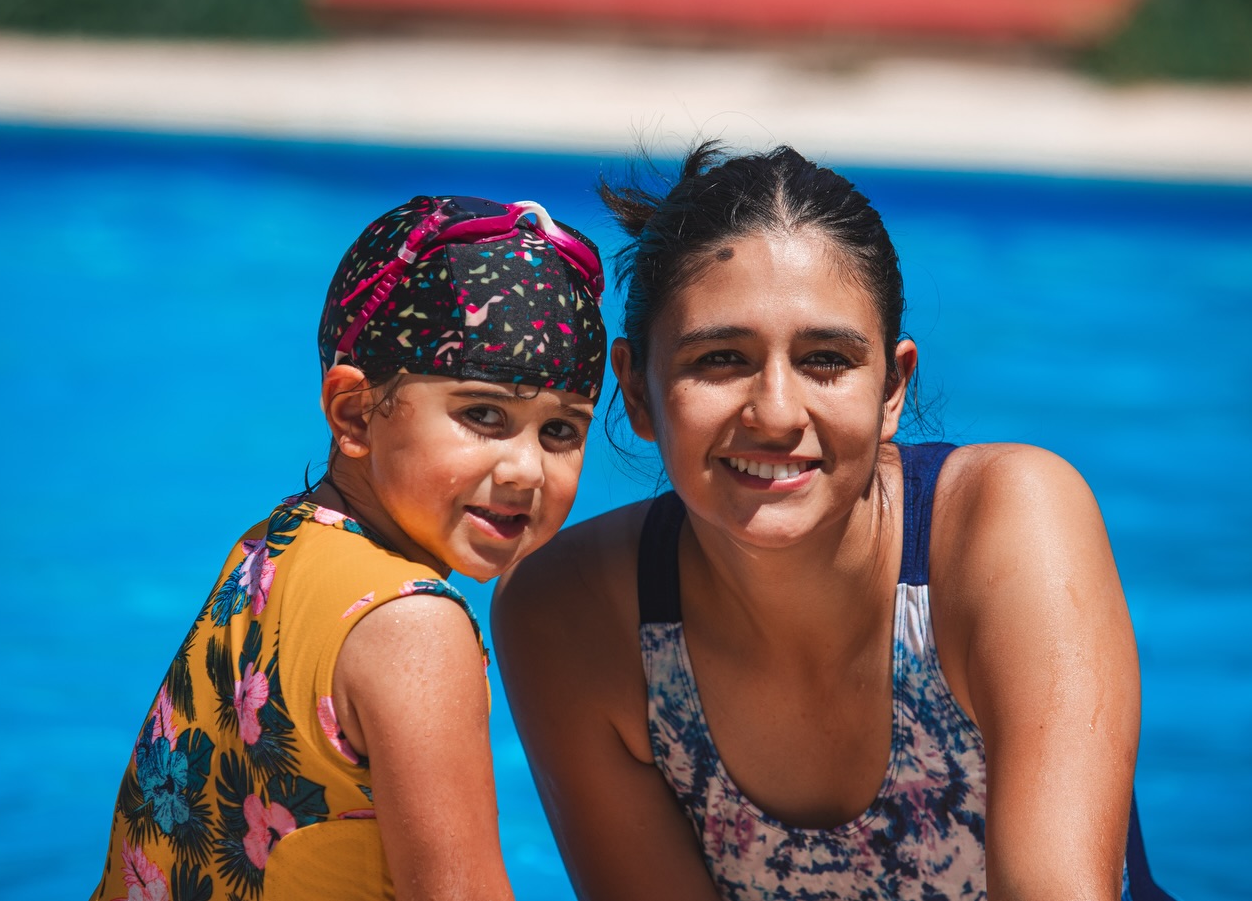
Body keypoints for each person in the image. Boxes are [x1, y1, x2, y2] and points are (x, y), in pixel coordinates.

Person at [494, 144, 1174, 900]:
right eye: (720, 358)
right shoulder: (576, 614)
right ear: (637, 392)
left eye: (825, 359)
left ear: (893, 389)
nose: (776, 413)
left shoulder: (1005, 525)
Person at [91, 194, 608, 901]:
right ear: (356, 413)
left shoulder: (272, 546)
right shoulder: (414, 627)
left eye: (561, 430)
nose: (526, 469)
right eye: (483, 414)